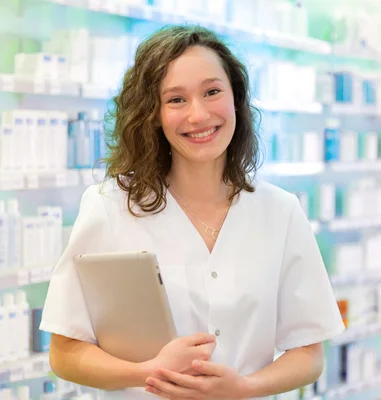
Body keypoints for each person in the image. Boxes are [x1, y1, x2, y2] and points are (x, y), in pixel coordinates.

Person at [40, 25, 344, 399]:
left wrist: (243, 388)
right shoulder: (111, 206)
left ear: (236, 99)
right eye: (176, 100)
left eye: (212, 92)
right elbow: (65, 353)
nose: (198, 115)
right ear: (152, 114)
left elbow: (309, 353)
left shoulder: (279, 211)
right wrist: (147, 372)